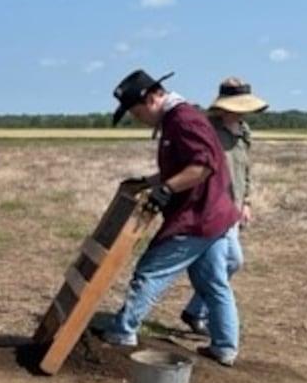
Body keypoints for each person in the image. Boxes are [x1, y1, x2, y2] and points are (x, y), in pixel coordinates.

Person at [103, 69, 242, 366]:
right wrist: (148, 181)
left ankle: (123, 332)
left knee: (150, 271)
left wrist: (166, 189)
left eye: (135, 111)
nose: (136, 118)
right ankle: (225, 348)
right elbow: (183, 165)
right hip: (214, 215)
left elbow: (201, 167)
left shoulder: (183, 119)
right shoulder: (177, 119)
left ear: (152, 98)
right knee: (213, 282)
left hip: (198, 217)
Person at [179, 77, 267, 335]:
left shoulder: (244, 131)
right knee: (229, 263)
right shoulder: (207, 130)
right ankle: (212, 324)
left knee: (232, 263)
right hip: (215, 208)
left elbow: (245, 169)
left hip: (235, 207)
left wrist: (246, 201)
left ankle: (195, 310)